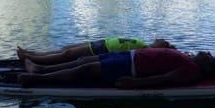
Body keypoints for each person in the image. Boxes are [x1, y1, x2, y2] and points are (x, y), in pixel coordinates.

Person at [18, 48, 215, 89]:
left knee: (85, 71)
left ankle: (36, 79)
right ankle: (40, 68)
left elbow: (166, 79)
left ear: (206, 65)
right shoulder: (189, 60)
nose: (207, 52)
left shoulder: (191, 70)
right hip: (129, 56)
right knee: (82, 61)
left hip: (130, 66)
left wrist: (134, 84)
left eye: (210, 56)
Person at [17, 37, 176, 66]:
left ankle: (33, 59)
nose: (162, 38)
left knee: (67, 55)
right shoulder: (145, 45)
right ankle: (32, 54)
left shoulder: (145, 50)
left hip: (102, 49)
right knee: (66, 50)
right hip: (102, 43)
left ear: (162, 48)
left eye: (165, 43)